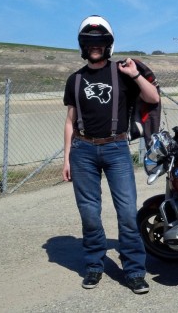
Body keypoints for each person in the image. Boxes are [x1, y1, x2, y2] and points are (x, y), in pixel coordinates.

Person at [62, 15, 159, 294]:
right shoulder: (75, 80)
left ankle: (134, 271)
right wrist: (67, 157)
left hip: (116, 149)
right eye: (90, 43)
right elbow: (70, 121)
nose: (95, 48)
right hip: (82, 151)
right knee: (90, 213)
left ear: (108, 46)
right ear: (83, 46)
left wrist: (136, 75)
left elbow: (153, 98)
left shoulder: (123, 73)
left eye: (100, 43)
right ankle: (94, 265)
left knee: (127, 213)